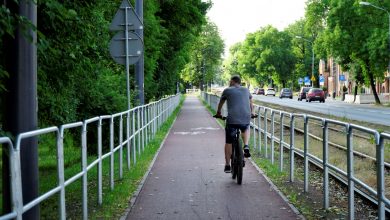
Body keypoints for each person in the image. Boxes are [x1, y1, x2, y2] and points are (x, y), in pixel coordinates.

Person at [215, 75, 255, 173]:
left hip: (232, 120)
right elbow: (251, 104)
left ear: (233, 81)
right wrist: (253, 113)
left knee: (228, 142)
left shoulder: (227, 90)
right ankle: (246, 145)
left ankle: (227, 165)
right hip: (245, 117)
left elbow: (221, 103)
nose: (229, 82)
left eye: (230, 81)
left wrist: (218, 113)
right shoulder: (246, 90)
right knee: (246, 127)